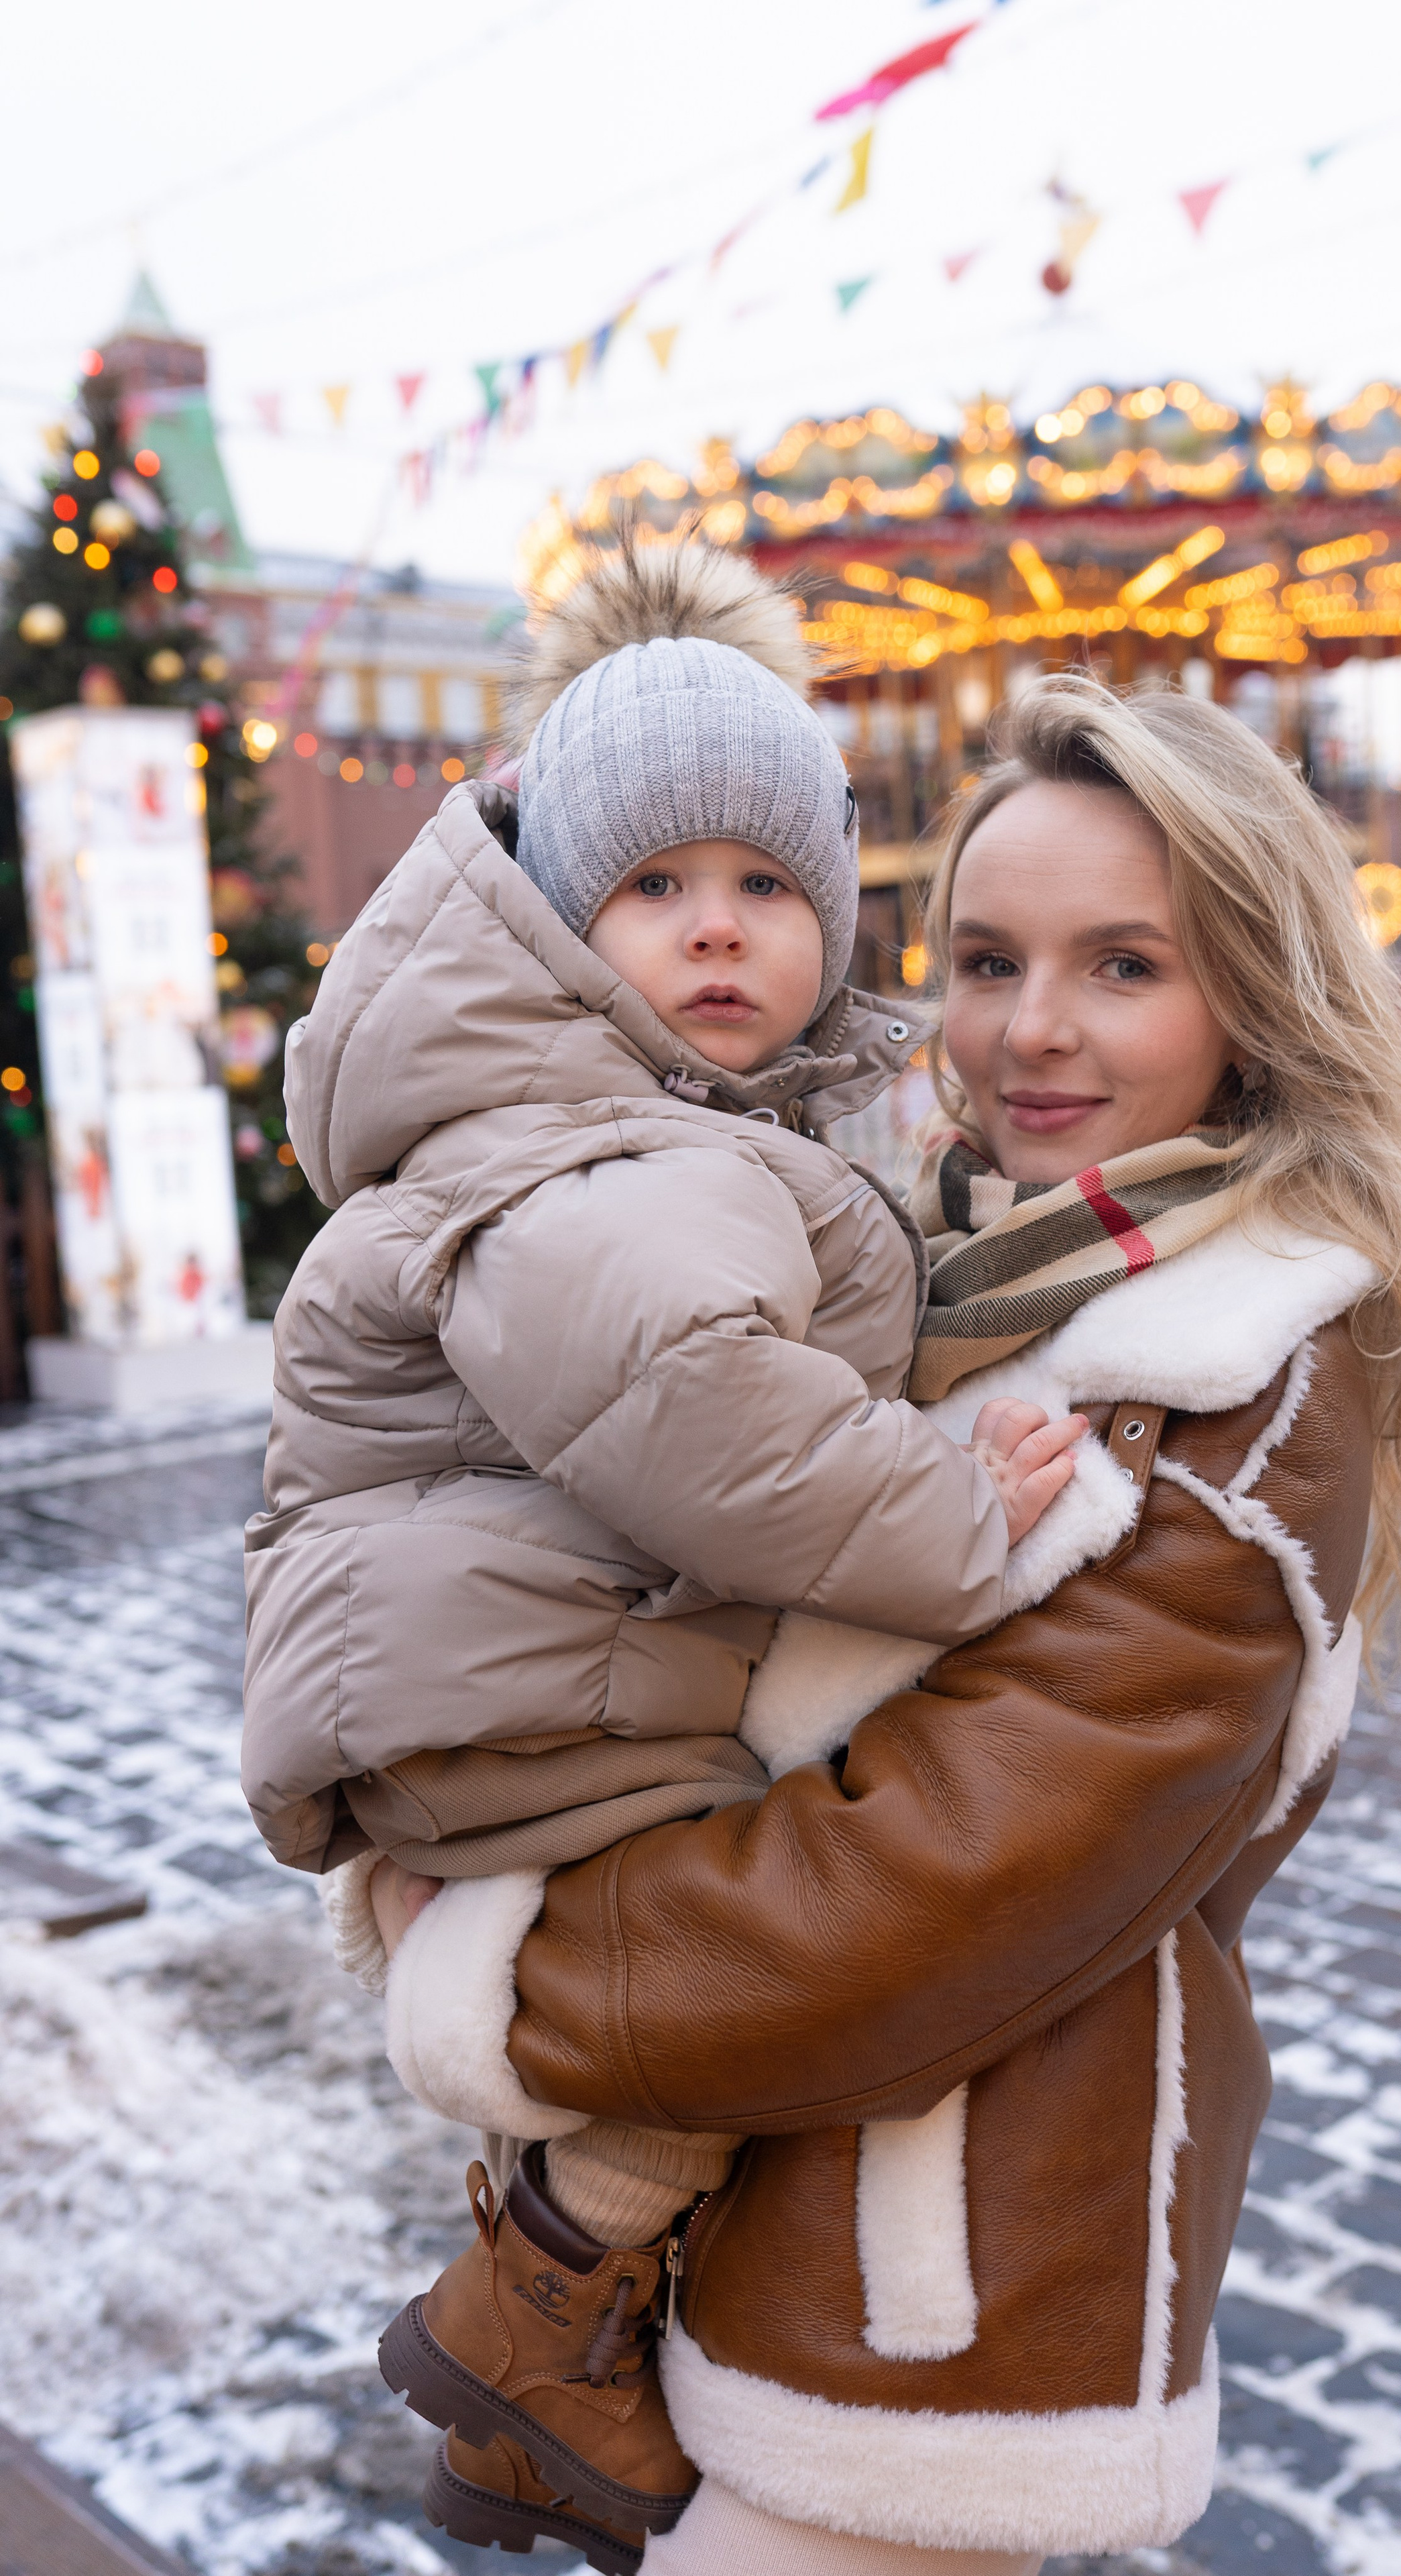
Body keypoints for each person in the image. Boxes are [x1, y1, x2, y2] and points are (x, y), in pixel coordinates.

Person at [373, 673, 1401, 2575]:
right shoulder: (943, 1274)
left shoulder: (1233, 1389)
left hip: (943, 2319)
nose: (1029, 1033)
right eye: (987, 959)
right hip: (774, 2219)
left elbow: (913, 1894)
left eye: (1124, 966)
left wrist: (496, 1965)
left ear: (1253, 997)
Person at [241, 541, 1086, 2541]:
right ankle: (531, 2314)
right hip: (520, 1684)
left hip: (482, 1661)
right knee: (781, 1970)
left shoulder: (599, 1107)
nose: (717, 934)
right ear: (556, 919)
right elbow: (692, 1404)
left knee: (731, 1966)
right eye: (655, 887)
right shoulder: (607, 1145)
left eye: (767, 887)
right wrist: (957, 1519)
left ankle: (524, 2356)